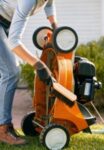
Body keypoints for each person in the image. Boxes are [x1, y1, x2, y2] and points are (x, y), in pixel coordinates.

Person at [0, 0, 57, 145]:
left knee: (10, 71)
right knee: (11, 72)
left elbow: (49, 5)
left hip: (6, 24)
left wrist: (55, 27)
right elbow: (14, 41)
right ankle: (2, 129)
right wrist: (38, 64)